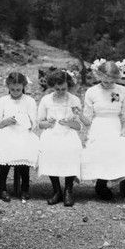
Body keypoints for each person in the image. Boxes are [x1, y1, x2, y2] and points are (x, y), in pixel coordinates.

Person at [81, 59, 125, 200]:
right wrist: (79, 116)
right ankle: (100, 183)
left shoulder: (122, 91)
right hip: (98, 125)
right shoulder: (91, 92)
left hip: (115, 124)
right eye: (105, 81)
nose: (108, 84)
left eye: (111, 81)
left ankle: (104, 182)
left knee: (117, 145)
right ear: (99, 76)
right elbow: (88, 119)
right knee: (99, 146)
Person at [38, 70, 86, 206]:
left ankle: (68, 191)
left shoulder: (74, 100)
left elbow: (78, 126)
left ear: (68, 85)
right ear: (52, 87)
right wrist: (48, 123)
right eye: (57, 89)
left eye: (63, 88)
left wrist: (69, 123)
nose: (60, 91)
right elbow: (40, 124)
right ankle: (56, 190)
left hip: (68, 133)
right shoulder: (46, 100)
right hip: (51, 133)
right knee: (49, 148)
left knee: (71, 149)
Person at [0, 72, 39, 202]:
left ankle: (25, 188)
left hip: (23, 132)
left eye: (18, 89)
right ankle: (2, 188)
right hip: (6, 131)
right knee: (5, 150)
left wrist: (25, 120)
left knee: (25, 149)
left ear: (24, 87)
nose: (15, 92)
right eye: (12, 89)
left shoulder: (29, 101)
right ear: (8, 87)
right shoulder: (2, 101)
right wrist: (6, 121)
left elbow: (33, 123)